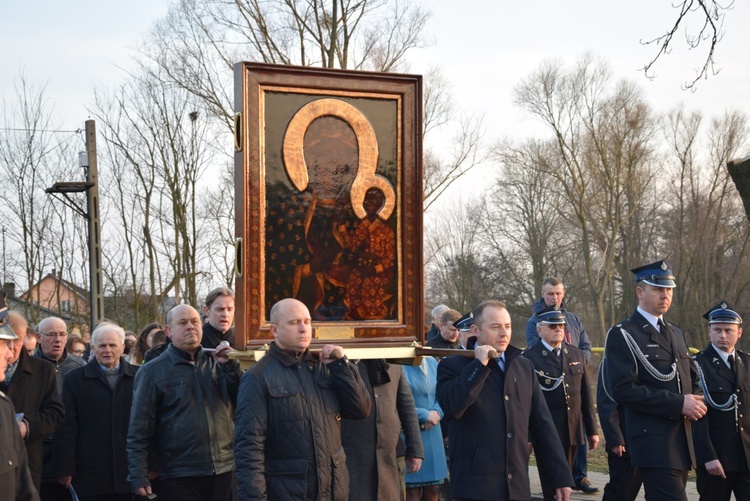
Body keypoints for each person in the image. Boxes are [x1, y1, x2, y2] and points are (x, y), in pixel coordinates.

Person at [233, 298, 371, 500]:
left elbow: (361, 409)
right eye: (294, 322)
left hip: (333, 491)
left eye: (307, 322)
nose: (304, 328)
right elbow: (249, 449)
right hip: (288, 492)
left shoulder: (326, 367)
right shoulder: (257, 377)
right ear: (274, 330)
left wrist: (342, 366)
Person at [437, 300, 573, 500]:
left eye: (507, 326)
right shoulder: (453, 365)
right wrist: (478, 366)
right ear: (476, 330)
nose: (504, 333)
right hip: (476, 487)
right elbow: (453, 406)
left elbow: (542, 424)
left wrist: (560, 476)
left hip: (516, 486)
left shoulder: (523, 366)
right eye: (495, 326)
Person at [602, 260, 706, 500]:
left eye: (669, 290)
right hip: (652, 442)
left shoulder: (675, 332)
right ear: (640, 292)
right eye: (658, 289)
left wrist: (697, 402)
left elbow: (691, 377)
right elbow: (623, 390)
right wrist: (679, 403)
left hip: (682, 440)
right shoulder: (624, 333)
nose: (665, 295)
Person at [127, 305, 242, 501]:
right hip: (179, 472)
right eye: (183, 323)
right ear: (168, 332)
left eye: (195, 321)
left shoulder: (220, 362)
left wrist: (231, 366)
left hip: (223, 468)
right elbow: (139, 428)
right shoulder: (152, 371)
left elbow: (244, 401)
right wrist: (138, 474)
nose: (190, 327)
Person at [525, 277, 595, 493]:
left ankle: (580, 477)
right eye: (550, 294)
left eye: (558, 293)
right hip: (547, 423)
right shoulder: (532, 329)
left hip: (572, 420)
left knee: (571, 467)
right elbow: (536, 356)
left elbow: (586, 392)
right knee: (553, 483)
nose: (554, 297)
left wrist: (593, 429)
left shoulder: (573, 320)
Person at [54, 322, 139, 500]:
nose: (107, 350)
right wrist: (65, 467)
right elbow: (67, 426)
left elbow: (150, 423)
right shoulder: (75, 379)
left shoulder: (140, 376)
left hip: (131, 471)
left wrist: (151, 464)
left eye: (113, 345)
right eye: (102, 345)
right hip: (90, 472)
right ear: (92, 348)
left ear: (122, 347)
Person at [0, 312, 65, 494]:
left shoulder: (42, 370)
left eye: (18, 341)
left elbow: (55, 412)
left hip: (28, 458)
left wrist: (27, 426)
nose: (12, 348)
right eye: (6, 341)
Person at [341, 359, 423, 500]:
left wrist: (415, 447)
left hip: (389, 454)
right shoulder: (341, 363)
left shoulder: (392, 362)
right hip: (353, 454)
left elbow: (406, 404)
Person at [693, 301, 750, 500]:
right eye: (717, 330)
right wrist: (707, 456)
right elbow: (696, 419)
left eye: (728, 330)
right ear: (709, 332)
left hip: (747, 456)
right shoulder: (697, 366)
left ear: (739, 332)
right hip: (717, 459)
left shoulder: (748, 362)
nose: (723, 335)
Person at [35, 316, 86, 500]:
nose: (58, 340)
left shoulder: (79, 367)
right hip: (38, 451)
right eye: (51, 335)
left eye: (62, 334)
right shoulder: (29, 367)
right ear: (38, 337)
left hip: (71, 451)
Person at [0, 322, 41, 500]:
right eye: (3, 345)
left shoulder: (4, 406)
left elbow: (22, 485)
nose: (10, 355)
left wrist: (28, 425)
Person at [403, 356, 448, 501]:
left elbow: (442, 390)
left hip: (434, 431)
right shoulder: (397, 362)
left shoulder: (432, 361)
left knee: (434, 488)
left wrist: (437, 413)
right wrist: (424, 415)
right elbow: (394, 399)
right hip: (409, 431)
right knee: (411, 490)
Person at [596, 363, 642, 501]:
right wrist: (615, 437)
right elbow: (606, 402)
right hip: (624, 439)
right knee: (622, 490)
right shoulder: (611, 361)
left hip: (648, 438)